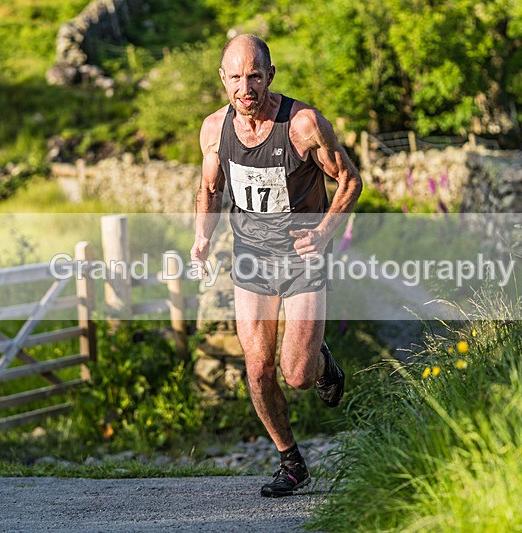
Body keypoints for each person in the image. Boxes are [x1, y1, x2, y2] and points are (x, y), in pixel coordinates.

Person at [190, 34, 363, 497]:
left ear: (270, 75)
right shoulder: (214, 129)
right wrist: (202, 237)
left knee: (297, 374)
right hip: (251, 257)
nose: (245, 87)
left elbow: (349, 180)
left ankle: (322, 364)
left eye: (254, 76)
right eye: (235, 77)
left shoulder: (302, 124)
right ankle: (290, 461)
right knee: (258, 368)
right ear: (223, 79)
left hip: (303, 258)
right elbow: (210, 188)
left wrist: (323, 232)